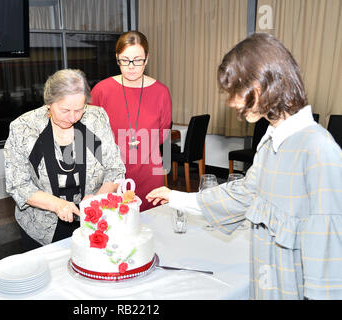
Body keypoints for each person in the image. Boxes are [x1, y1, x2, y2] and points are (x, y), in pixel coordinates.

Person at [146, 33, 342, 300]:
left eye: (234, 92)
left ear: (261, 85)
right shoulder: (271, 141)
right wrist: (176, 197)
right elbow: (244, 194)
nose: (232, 103)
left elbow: (328, 258)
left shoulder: (317, 149)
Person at [4, 69, 125, 251]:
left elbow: (115, 169)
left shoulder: (96, 119)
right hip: (41, 226)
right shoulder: (24, 129)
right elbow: (18, 185)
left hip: (93, 221)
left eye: (79, 109)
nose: (73, 117)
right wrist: (58, 205)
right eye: (65, 110)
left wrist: (97, 201)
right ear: (49, 103)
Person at [91, 30, 172, 212]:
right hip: (111, 176)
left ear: (147, 58)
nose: (131, 66)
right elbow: (89, 135)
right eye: (125, 60)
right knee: (114, 226)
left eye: (137, 60)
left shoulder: (161, 92)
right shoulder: (101, 91)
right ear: (117, 57)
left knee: (152, 226)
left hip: (149, 172)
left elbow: (162, 134)